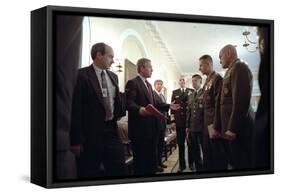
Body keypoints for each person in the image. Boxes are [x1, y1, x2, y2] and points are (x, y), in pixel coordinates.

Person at [70, 42, 127, 178]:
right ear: (99, 55)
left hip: (111, 130)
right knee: (90, 171)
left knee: (119, 168)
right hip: (90, 134)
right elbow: (75, 109)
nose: (113, 61)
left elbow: (115, 100)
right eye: (110, 57)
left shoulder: (114, 76)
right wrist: (75, 141)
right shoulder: (81, 75)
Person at [125, 58, 180, 175]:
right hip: (139, 130)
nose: (152, 70)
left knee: (150, 160)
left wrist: (169, 106)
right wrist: (140, 109)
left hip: (152, 129)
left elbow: (156, 104)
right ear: (142, 68)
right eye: (150, 67)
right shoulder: (133, 83)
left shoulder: (149, 85)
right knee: (141, 163)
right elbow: (128, 102)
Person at [214, 44, 254, 170]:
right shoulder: (230, 71)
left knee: (242, 163)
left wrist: (232, 128)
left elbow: (241, 101)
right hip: (231, 130)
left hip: (238, 129)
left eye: (220, 56)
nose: (219, 60)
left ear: (229, 53)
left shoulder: (239, 67)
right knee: (235, 162)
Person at [199, 54, 227, 171]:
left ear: (208, 64)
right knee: (207, 153)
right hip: (207, 123)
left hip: (213, 124)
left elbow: (219, 105)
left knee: (217, 156)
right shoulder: (207, 80)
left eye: (201, 65)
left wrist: (216, 126)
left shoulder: (217, 79)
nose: (199, 68)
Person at [170, 77, 194, 172]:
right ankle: (182, 165)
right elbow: (172, 107)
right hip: (179, 122)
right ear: (179, 82)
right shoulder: (175, 92)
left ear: (185, 82)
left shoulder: (191, 91)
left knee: (190, 144)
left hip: (189, 122)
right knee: (180, 145)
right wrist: (172, 121)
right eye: (180, 80)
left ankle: (191, 163)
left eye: (183, 80)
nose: (182, 82)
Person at [186, 74, 204, 171]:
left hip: (202, 127)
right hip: (192, 127)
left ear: (200, 82)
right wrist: (187, 126)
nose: (193, 83)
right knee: (195, 149)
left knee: (205, 149)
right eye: (192, 81)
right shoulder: (191, 95)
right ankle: (199, 168)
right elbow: (189, 111)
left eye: (195, 81)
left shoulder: (205, 92)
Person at [153, 80, 168, 172]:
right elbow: (158, 106)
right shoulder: (153, 94)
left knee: (161, 144)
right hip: (156, 124)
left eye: (161, 84)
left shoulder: (162, 95)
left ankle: (160, 162)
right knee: (155, 145)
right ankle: (155, 165)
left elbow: (164, 110)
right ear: (155, 85)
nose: (160, 86)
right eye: (158, 84)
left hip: (163, 123)